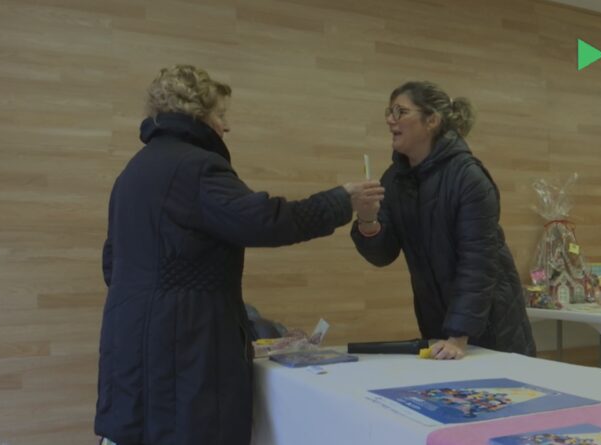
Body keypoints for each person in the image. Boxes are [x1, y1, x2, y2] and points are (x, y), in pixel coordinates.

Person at [95, 65, 383, 445]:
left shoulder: (133, 172)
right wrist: (340, 201)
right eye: (220, 114)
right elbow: (265, 221)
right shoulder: (196, 168)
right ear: (197, 114)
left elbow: (112, 264)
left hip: (130, 348)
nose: (226, 126)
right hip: (184, 355)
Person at [351, 81, 535, 361]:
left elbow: (478, 263)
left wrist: (459, 335)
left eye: (400, 112)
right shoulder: (395, 179)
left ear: (432, 121)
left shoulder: (468, 177)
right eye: (389, 111)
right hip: (441, 329)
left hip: (492, 329)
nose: (390, 120)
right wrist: (367, 220)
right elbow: (383, 254)